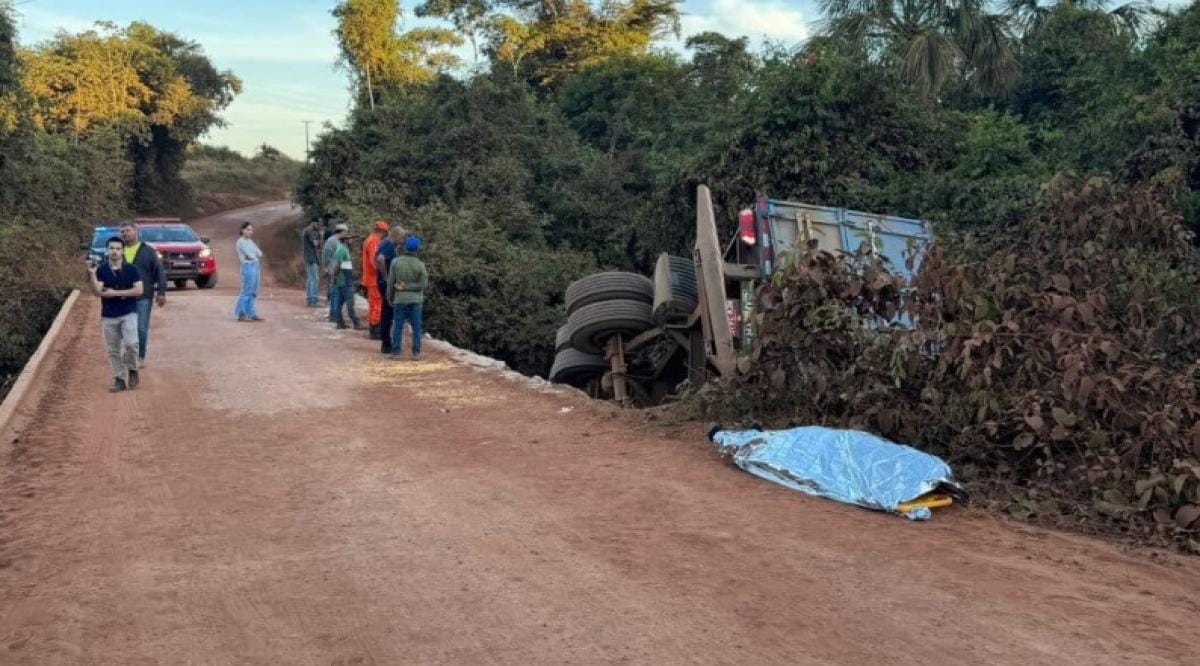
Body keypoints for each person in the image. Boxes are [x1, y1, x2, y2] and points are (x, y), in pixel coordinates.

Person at [87, 236, 144, 392]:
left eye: (118, 249)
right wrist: (92, 274)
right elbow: (98, 292)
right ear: (107, 250)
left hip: (128, 312)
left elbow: (139, 290)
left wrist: (114, 293)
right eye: (112, 248)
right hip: (109, 315)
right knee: (113, 349)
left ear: (123, 251)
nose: (115, 251)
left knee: (131, 344)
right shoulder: (101, 270)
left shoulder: (132, 269)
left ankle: (132, 369)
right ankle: (119, 379)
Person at [118, 221, 166, 366]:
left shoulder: (148, 251)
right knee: (124, 328)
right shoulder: (118, 251)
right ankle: (128, 354)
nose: (125, 234)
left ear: (136, 231)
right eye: (122, 232)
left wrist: (161, 292)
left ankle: (140, 357)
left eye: (128, 230)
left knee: (141, 328)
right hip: (122, 296)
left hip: (143, 296)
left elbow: (159, 272)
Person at [386, 234, 428, 360]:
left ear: (405, 247)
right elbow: (424, 284)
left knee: (398, 325)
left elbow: (391, 281)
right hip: (416, 300)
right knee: (416, 327)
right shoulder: (420, 265)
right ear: (417, 249)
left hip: (400, 299)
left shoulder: (396, 262)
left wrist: (389, 296)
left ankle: (396, 351)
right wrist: (411, 287)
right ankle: (416, 352)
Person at [374, 226, 404, 354]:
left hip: (383, 281)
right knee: (387, 311)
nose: (402, 241)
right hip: (385, 283)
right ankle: (386, 343)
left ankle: (386, 341)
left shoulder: (385, 244)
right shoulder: (388, 244)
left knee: (387, 310)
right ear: (396, 236)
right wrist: (386, 278)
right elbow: (380, 260)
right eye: (401, 238)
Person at [329, 224, 364, 330]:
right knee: (350, 302)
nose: (352, 241)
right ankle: (356, 322)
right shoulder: (342, 250)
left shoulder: (342, 249)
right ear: (346, 240)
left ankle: (340, 323)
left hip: (342, 280)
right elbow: (338, 265)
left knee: (339, 303)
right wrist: (334, 277)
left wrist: (334, 278)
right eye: (350, 239)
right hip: (345, 280)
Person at [361, 220, 388, 340]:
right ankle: (375, 330)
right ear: (382, 231)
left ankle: (373, 328)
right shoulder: (374, 242)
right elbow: (374, 261)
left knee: (373, 304)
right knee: (377, 304)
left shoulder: (368, 240)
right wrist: (383, 273)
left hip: (369, 278)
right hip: (374, 278)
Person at [234, 221, 264, 322]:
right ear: (242, 230)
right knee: (247, 290)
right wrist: (253, 255)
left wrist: (254, 255)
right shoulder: (240, 242)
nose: (250, 232)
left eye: (251, 230)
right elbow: (249, 255)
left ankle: (251, 313)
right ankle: (241, 313)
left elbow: (259, 253)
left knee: (254, 291)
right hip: (247, 266)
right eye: (248, 230)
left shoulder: (250, 241)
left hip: (255, 265)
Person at [321, 220, 342, 321]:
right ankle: (334, 314)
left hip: (336, 269)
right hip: (333, 270)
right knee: (335, 292)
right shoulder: (332, 241)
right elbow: (325, 255)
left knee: (334, 292)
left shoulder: (338, 240)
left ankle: (334, 314)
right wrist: (326, 268)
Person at [301, 219, 322, 307]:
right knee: (314, 279)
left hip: (310, 258)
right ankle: (314, 300)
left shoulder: (308, 230)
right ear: (313, 223)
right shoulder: (310, 231)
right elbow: (316, 244)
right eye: (318, 224)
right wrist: (321, 237)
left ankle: (310, 299)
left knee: (310, 279)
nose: (319, 226)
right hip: (311, 258)